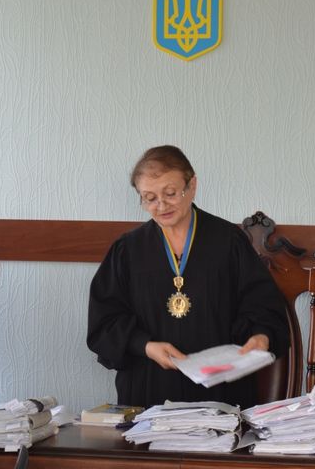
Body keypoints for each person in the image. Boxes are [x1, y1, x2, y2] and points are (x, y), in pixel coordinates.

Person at [87, 145, 289, 409]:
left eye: (170, 193)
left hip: (221, 391)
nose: (161, 206)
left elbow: (263, 305)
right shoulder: (127, 250)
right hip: (148, 393)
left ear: (192, 185)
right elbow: (104, 323)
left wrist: (261, 336)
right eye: (149, 198)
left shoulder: (229, 242)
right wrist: (145, 346)